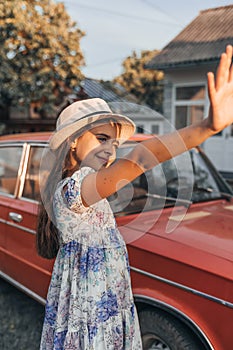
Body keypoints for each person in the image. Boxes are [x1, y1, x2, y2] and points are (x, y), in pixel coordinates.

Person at [37, 45, 233, 350]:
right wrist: (207, 127)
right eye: (102, 138)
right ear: (73, 142)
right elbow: (141, 158)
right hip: (91, 311)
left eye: (114, 143)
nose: (111, 150)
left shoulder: (85, 188)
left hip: (105, 298)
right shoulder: (75, 189)